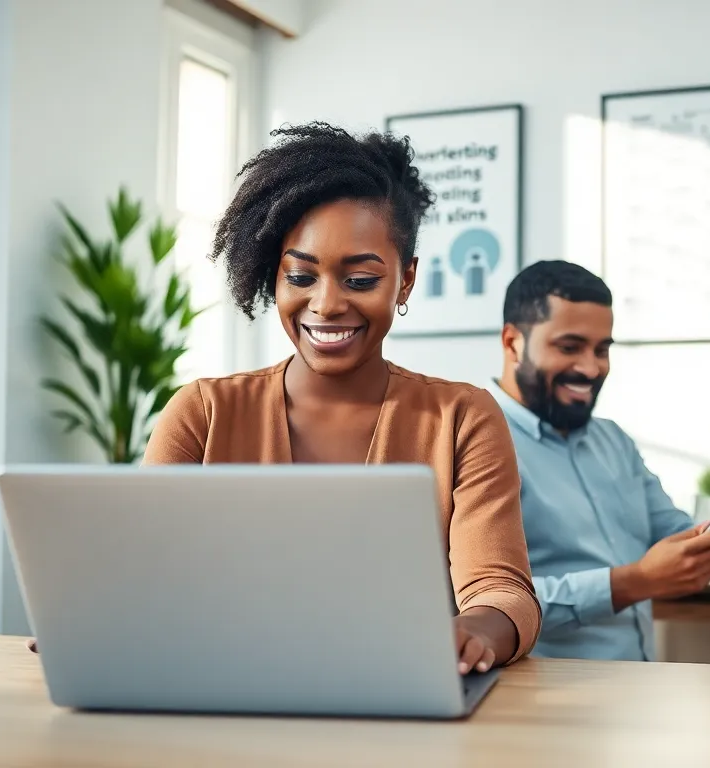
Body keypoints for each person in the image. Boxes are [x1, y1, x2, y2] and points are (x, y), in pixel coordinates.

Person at [30, 123, 542, 674]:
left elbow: (500, 588)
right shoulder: (202, 413)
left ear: (407, 281)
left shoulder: (461, 418)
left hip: (400, 694)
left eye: (361, 280)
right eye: (300, 275)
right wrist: (92, 616)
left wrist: (475, 630)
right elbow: (141, 574)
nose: (325, 304)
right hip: (224, 690)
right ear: (272, 277)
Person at [489, 260, 710, 661]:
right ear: (513, 342)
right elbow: (483, 608)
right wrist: (630, 583)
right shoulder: (475, 441)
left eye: (602, 350)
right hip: (546, 699)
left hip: (637, 686)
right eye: (569, 347)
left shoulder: (613, 439)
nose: (591, 367)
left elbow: (670, 528)